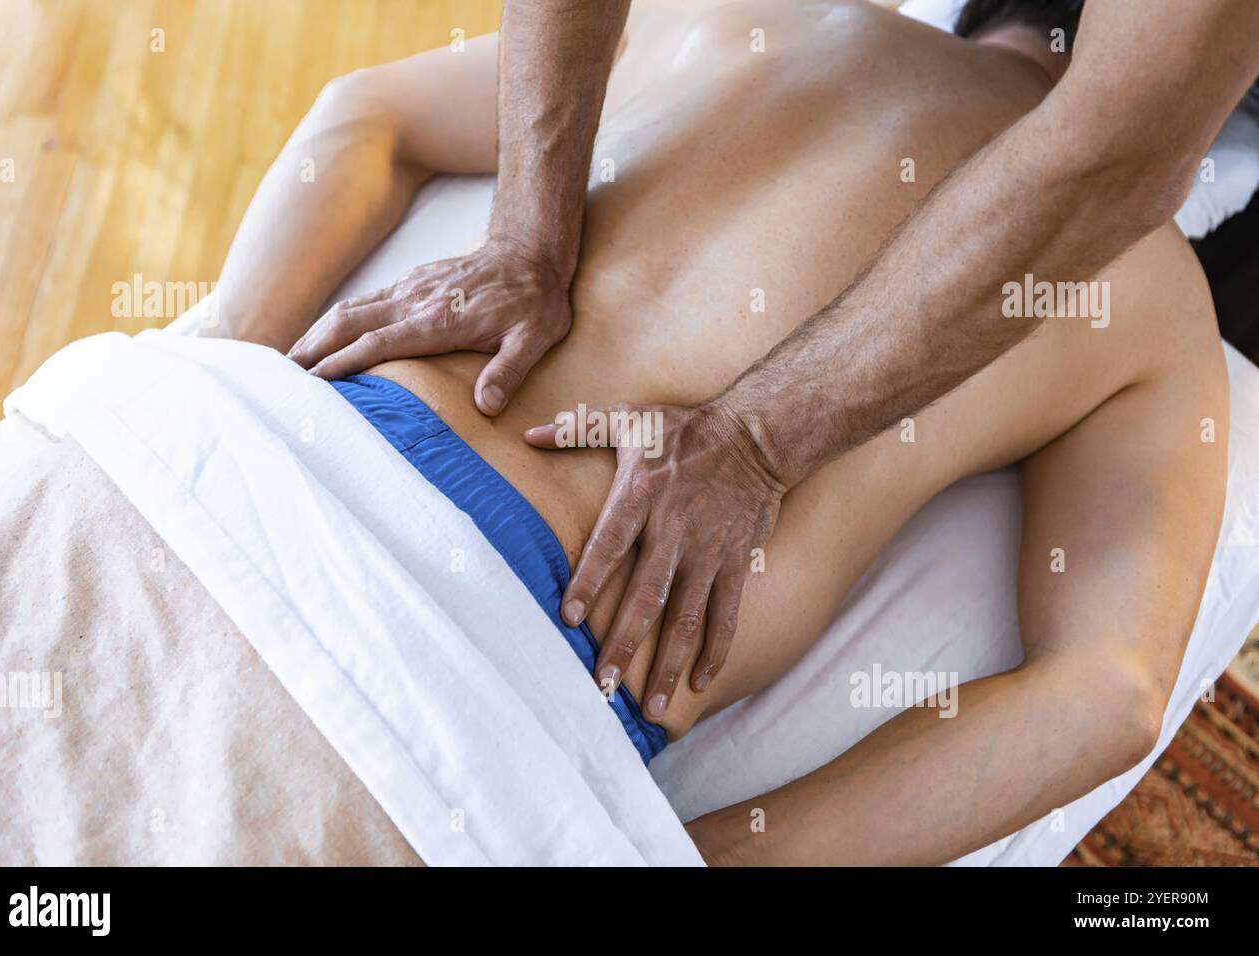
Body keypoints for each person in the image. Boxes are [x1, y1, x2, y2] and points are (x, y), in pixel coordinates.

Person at [208, 0, 1228, 863]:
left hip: (310, 448)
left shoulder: (738, 20)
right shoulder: (1155, 294)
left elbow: (361, 112)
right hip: (546, 630)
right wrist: (710, 852)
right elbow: (1107, 695)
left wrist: (211, 362)